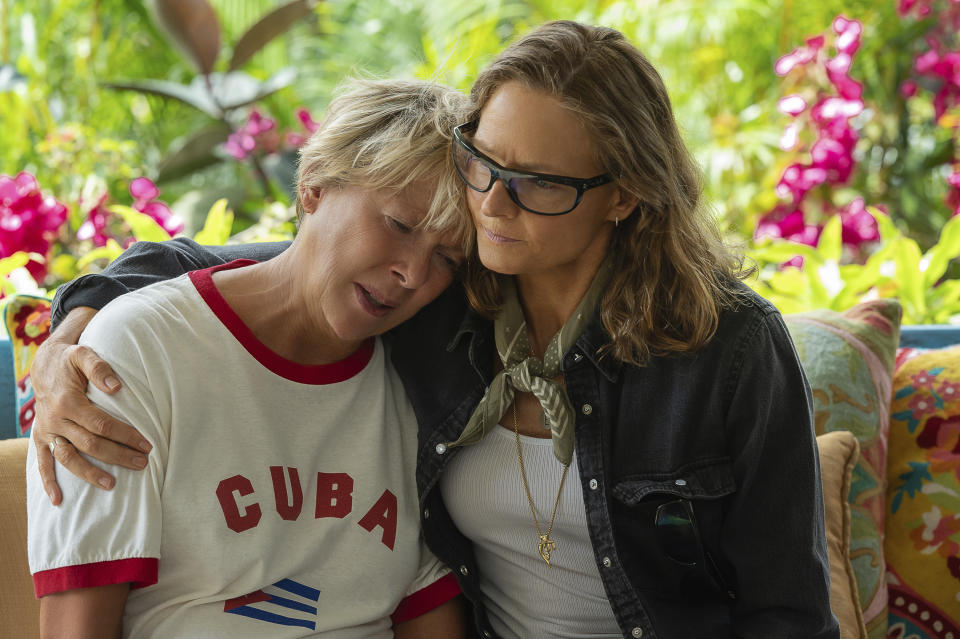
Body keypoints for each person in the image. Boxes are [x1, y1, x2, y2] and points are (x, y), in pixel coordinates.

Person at [30, 21, 840, 639]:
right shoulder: (452, 301)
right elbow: (250, 267)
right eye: (483, 162)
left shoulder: (726, 348)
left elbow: (787, 612)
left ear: (623, 195)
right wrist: (71, 334)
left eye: (535, 184)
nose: (490, 203)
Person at [25, 78, 472, 638]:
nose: (412, 273)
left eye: (448, 258)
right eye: (399, 224)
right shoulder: (132, 352)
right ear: (314, 185)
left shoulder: (422, 373)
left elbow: (426, 606)